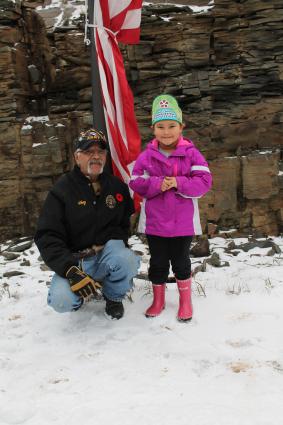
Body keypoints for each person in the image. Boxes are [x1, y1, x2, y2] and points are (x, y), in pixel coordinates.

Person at [35, 128, 140, 320]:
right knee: (61, 301)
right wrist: (70, 269)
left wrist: (115, 246)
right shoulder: (62, 190)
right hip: (76, 261)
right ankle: (81, 293)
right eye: (89, 152)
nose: (96, 156)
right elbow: (47, 236)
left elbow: (124, 224)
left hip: (107, 252)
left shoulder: (117, 187)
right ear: (77, 157)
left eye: (100, 152)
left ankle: (113, 296)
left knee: (128, 260)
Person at [129, 94, 212, 322]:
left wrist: (178, 182)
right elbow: (135, 182)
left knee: (181, 261)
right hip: (155, 222)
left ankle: (185, 301)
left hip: (183, 222)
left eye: (172, 126)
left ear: (181, 126)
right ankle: (158, 300)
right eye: (161, 127)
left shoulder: (192, 154)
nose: (167, 132)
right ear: (153, 129)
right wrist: (157, 183)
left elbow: (204, 182)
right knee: (157, 262)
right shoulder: (146, 157)